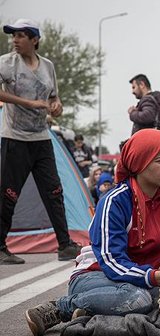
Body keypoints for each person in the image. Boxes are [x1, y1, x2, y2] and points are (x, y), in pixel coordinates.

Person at [24, 129, 160, 336]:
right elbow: (112, 262)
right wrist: (157, 276)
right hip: (96, 275)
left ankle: (91, 310)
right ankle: (61, 307)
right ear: (140, 163)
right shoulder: (115, 201)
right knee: (140, 299)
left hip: (140, 277)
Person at [0, 19, 82, 264]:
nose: (15, 40)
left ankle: (65, 244)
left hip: (41, 138)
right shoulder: (6, 63)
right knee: (8, 193)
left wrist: (56, 107)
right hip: (15, 137)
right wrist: (28, 103)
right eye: (13, 35)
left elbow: (55, 98)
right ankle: (0, 246)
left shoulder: (47, 66)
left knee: (54, 190)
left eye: (21, 35)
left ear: (34, 39)